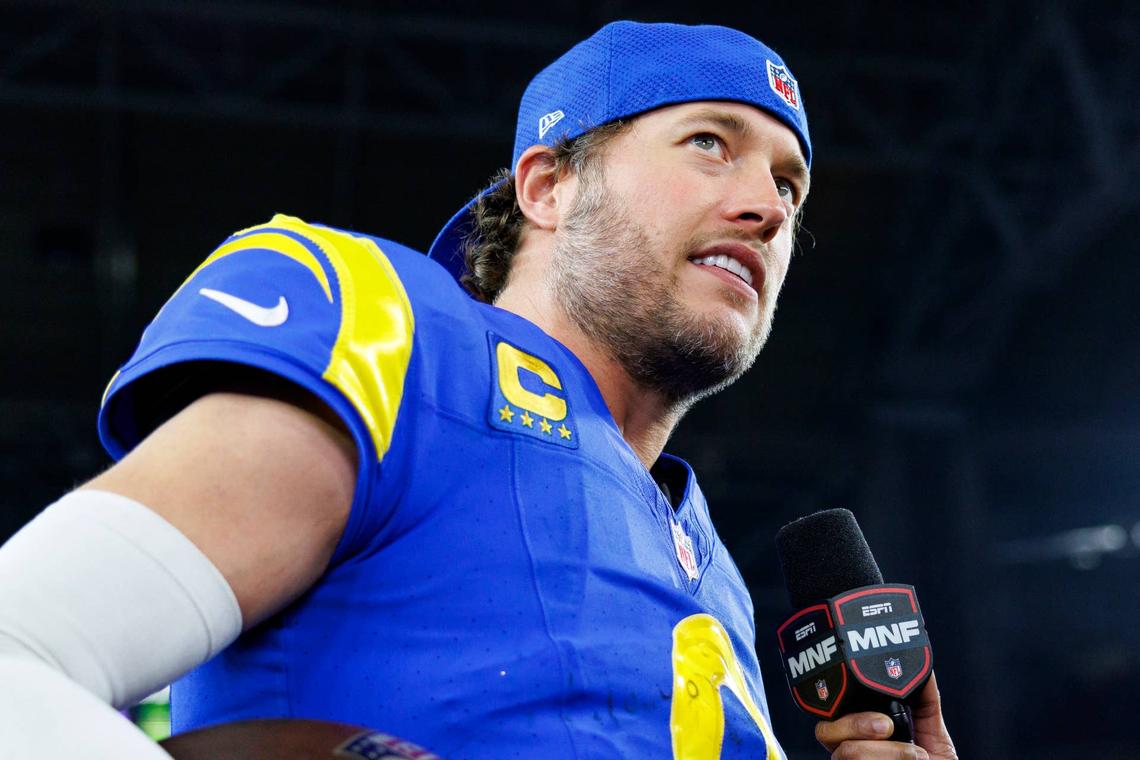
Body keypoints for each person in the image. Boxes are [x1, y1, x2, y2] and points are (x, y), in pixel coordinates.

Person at [0, 20, 958, 760]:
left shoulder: (714, 580)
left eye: (789, 187)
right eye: (710, 142)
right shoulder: (399, 340)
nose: (766, 207)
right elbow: (16, 654)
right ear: (548, 186)